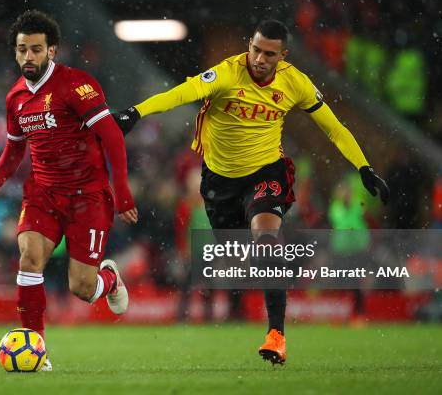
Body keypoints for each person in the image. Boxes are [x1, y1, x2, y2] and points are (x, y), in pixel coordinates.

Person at [113, 19, 389, 365]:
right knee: (237, 257)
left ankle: (276, 335)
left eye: (269, 54)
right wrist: (136, 112)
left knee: (266, 241)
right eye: (256, 49)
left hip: (265, 172)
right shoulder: (228, 73)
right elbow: (180, 94)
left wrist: (364, 167)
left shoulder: (295, 83)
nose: (259, 58)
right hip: (219, 181)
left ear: (282, 56)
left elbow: (335, 129)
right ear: (249, 44)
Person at [0, 10, 137, 372]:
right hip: (43, 193)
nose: (28, 57)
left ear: (52, 50)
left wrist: (123, 190)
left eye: (36, 49)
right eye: (22, 50)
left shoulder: (77, 84)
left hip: (88, 197)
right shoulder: (16, 98)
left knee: (82, 288)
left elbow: (111, 135)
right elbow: (15, 145)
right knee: (29, 258)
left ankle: (109, 280)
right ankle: (36, 350)